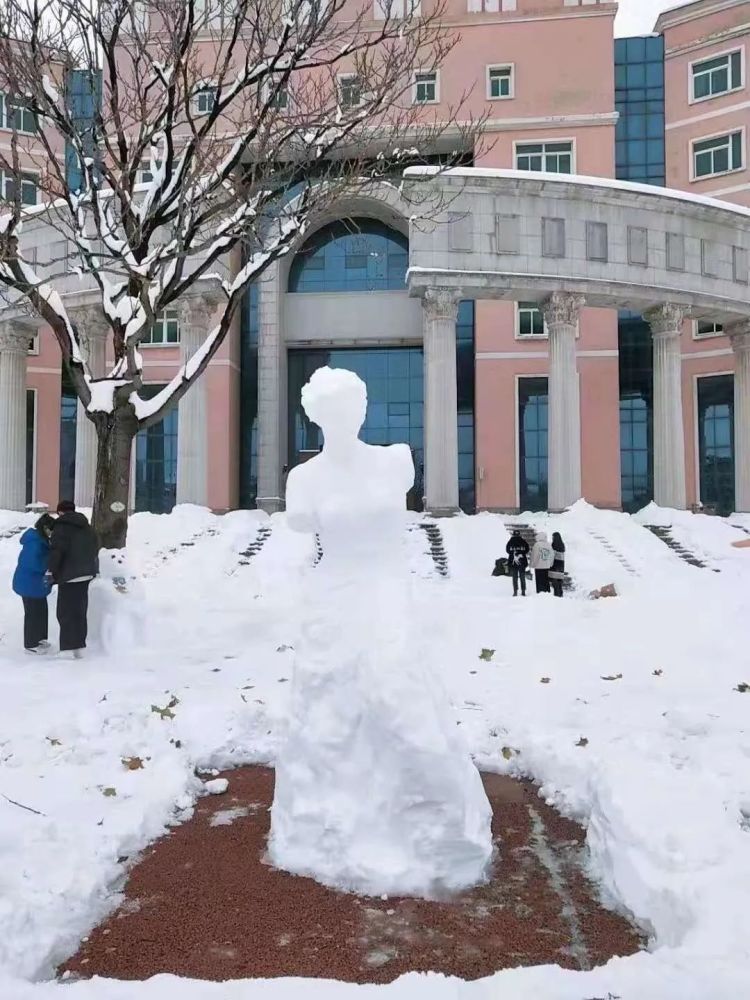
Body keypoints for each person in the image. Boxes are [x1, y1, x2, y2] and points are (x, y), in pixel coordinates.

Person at [48, 501, 100, 658]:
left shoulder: (61, 527)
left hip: (69, 575)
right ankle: (79, 647)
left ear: (60, 512)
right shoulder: (87, 527)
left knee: (65, 612)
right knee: (79, 611)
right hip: (86, 574)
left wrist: (52, 571)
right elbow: (95, 546)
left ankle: (67, 649)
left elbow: (57, 551)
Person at [12, 514, 56, 654]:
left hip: (36, 584)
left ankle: (40, 638)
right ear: (44, 528)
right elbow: (33, 564)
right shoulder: (34, 542)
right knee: (32, 613)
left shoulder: (41, 539)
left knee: (41, 611)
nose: (52, 533)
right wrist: (50, 562)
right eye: (51, 529)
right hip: (29, 583)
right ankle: (30, 644)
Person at [506, 529, 530, 597]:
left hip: (513, 562)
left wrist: (512, 553)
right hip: (522, 561)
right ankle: (523, 591)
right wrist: (521, 552)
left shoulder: (510, 542)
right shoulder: (523, 541)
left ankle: (515, 591)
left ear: (513, 534)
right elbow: (527, 549)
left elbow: (507, 550)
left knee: (514, 577)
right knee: (522, 576)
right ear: (519, 534)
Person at [550, 531, 566, 598]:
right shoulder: (562, 545)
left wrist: (550, 564)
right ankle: (560, 593)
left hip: (555, 564)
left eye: (553, 537)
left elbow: (552, 555)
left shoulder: (553, 545)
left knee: (555, 581)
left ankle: (557, 595)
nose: (552, 538)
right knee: (559, 581)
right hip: (561, 565)